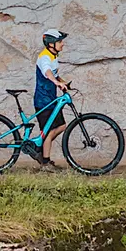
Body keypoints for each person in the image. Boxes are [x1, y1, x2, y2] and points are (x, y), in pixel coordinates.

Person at [31, 28, 74, 165]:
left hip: (51, 99)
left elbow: (54, 74)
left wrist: (62, 82)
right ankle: (45, 160)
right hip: (43, 101)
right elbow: (48, 72)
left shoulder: (54, 56)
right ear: (51, 44)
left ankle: (41, 147)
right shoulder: (45, 57)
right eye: (60, 41)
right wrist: (56, 82)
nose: (62, 44)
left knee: (61, 126)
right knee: (48, 131)